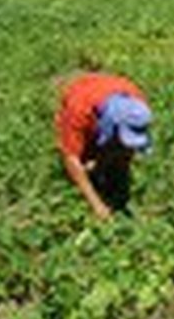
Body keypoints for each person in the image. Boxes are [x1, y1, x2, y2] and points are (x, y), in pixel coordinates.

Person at [55, 70, 152, 220]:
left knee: (116, 156)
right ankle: (96, 179)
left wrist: (114, 167)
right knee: (84, 157)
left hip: (110, 88)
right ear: (110, 125)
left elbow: (129, 145)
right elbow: (70, 158)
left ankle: (111, 181)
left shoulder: (138, 105)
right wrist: (96, 204)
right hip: (82, 91)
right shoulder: (78, 110)